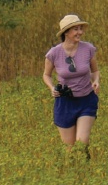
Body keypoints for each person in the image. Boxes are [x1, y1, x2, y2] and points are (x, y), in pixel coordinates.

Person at [43, 14, 100, 155]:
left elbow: (95, 70)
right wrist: (52, 88)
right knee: (69, 148)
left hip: (86, 99)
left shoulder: (88, 49)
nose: (80, 32)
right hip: (65, 102)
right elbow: (46, 75)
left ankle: (86, 170)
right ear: (66, 32)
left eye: (80, 29)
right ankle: (75, 173)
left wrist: (96, 81)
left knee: (82, 143)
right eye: (76, 29)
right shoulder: (54, 53)